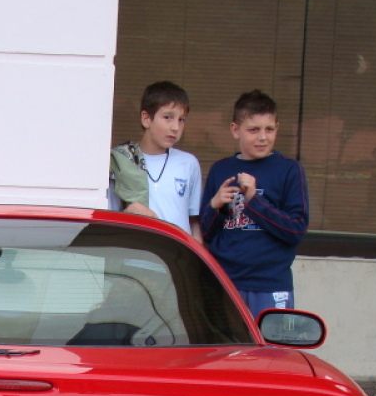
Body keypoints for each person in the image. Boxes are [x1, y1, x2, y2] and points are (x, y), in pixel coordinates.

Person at [198, 89, 308, 315]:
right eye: (253, 130)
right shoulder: (221, 170)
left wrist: (254, 200)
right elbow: (206, 234)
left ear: (277, 128)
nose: (262, 137)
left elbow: (296, 230)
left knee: (271, 349)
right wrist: (214, 206)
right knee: (227, 349)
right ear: (235, 130)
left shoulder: (289, 169)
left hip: (271, 284)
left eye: (269, 129)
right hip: (226, 281)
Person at [109, 81, 203, 239]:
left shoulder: (188, 163)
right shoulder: (122, 160)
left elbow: (194, 222)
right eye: (168, 117)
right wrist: (128, 213)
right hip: (134, 255)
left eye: (181, 120)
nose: (175, 127)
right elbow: (107, 218)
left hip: (177, 258)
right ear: (146, 119)